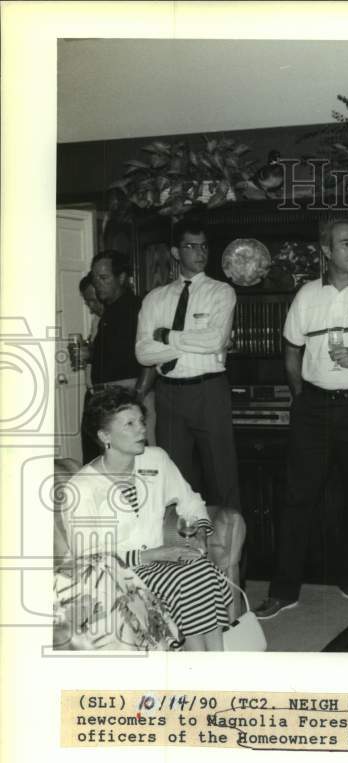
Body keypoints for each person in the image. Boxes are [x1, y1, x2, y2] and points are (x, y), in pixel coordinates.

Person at [254, 219, 348, 618]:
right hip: (314, 408)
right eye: (345, 244)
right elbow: (291, 352)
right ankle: (284, 589)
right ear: (326, 250)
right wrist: (301, 396)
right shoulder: (307, 295)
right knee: (297, 497)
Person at [61, 386, 231, 650]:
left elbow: (191, 501)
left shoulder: (156, 460)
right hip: (113, 576)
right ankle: (208, 667)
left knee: (201, 571)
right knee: (191, 579)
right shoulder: (81, 487)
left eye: (141, 421)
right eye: (129, 424)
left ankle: (210, 663)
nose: (141, 429)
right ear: (105, 436)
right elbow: (89, 559)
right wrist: (154, 555)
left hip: (156, 563)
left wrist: (200, 533)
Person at [135, 219, 240, 511]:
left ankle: (229, 553)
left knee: (223, 478)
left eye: (204, 246)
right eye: (191, 246)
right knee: (176, 481)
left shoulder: (221, 292)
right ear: (176, 252)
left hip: (209, 392)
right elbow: (143, 353)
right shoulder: (156, 299)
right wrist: (192, 340)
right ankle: (186, 555)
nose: (199, 252)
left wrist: (167, 336)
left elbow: (215, 340)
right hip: (169, 395)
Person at [79, 251, 158, 464]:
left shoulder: (137, 308)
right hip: (108, 400)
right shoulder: (109, 312)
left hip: (128, 398)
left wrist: (136, 398)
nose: (97, 284)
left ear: (121, 278)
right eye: (95, 278)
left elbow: (151, 355)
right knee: (110, 464)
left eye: (103, 278)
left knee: (139, 462)